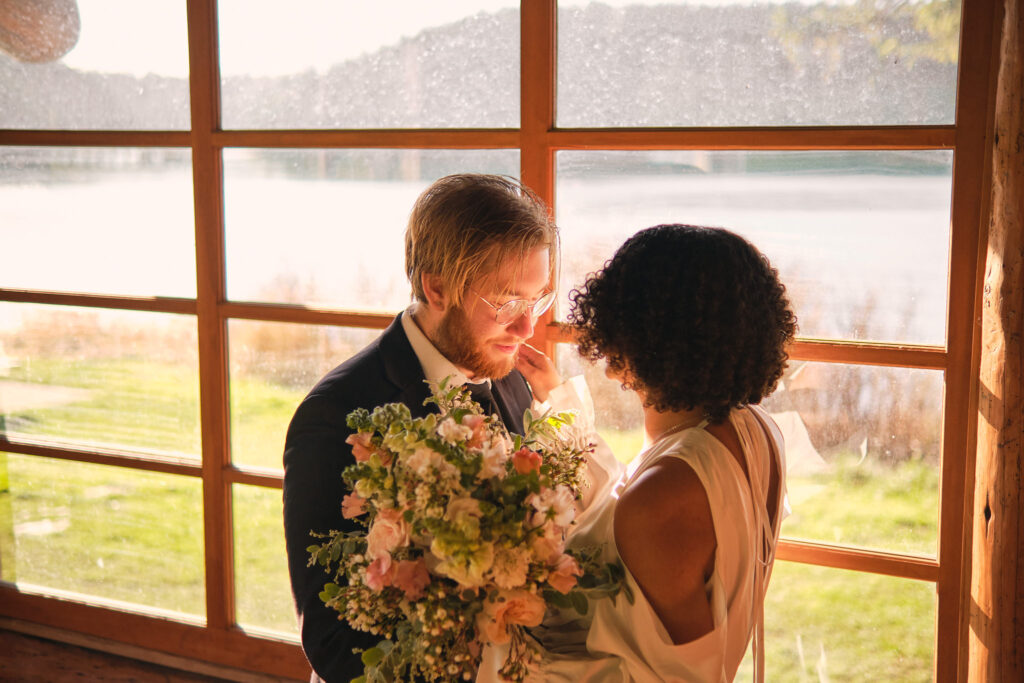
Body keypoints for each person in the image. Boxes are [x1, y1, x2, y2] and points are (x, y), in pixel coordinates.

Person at [283, 173, 560, 682]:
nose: (527, 329)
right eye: (506, 303)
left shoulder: (513, 378)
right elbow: (332, 641)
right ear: (436, 287)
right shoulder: (334, 417)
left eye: (537, 300)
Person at [496, 224, 797, 682]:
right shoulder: (751, 428)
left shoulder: (663, 496)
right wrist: (558, 405)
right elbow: (623, 499)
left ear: (645, 332)